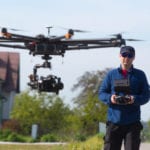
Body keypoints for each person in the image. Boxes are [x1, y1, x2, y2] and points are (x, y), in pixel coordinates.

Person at [99, 46, 150, 150]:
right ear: (119, 56)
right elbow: (101, 93)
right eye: (124, 55)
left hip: (132, 123)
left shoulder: (140, 75)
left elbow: (146, 96)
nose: (126, 58)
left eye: (130, 55)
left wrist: (134, 99)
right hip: (114, 122)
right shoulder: (111, 74)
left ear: (133, 58)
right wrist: (111, 98)